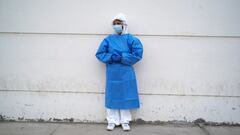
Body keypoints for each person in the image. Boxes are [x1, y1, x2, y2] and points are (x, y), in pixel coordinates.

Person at [95, 13, 143, 131]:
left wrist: (123, 57)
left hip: (126, 72)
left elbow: (137, 54)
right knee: (113, 96)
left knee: (125, 95)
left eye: (118, 24)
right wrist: (111, 57)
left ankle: (125, 121)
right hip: (113, 72)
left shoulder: (131, 39)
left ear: (124, 25)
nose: (116, 26)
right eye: (115, 24)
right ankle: (112, 121)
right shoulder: (108, 39)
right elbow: (100, 53)